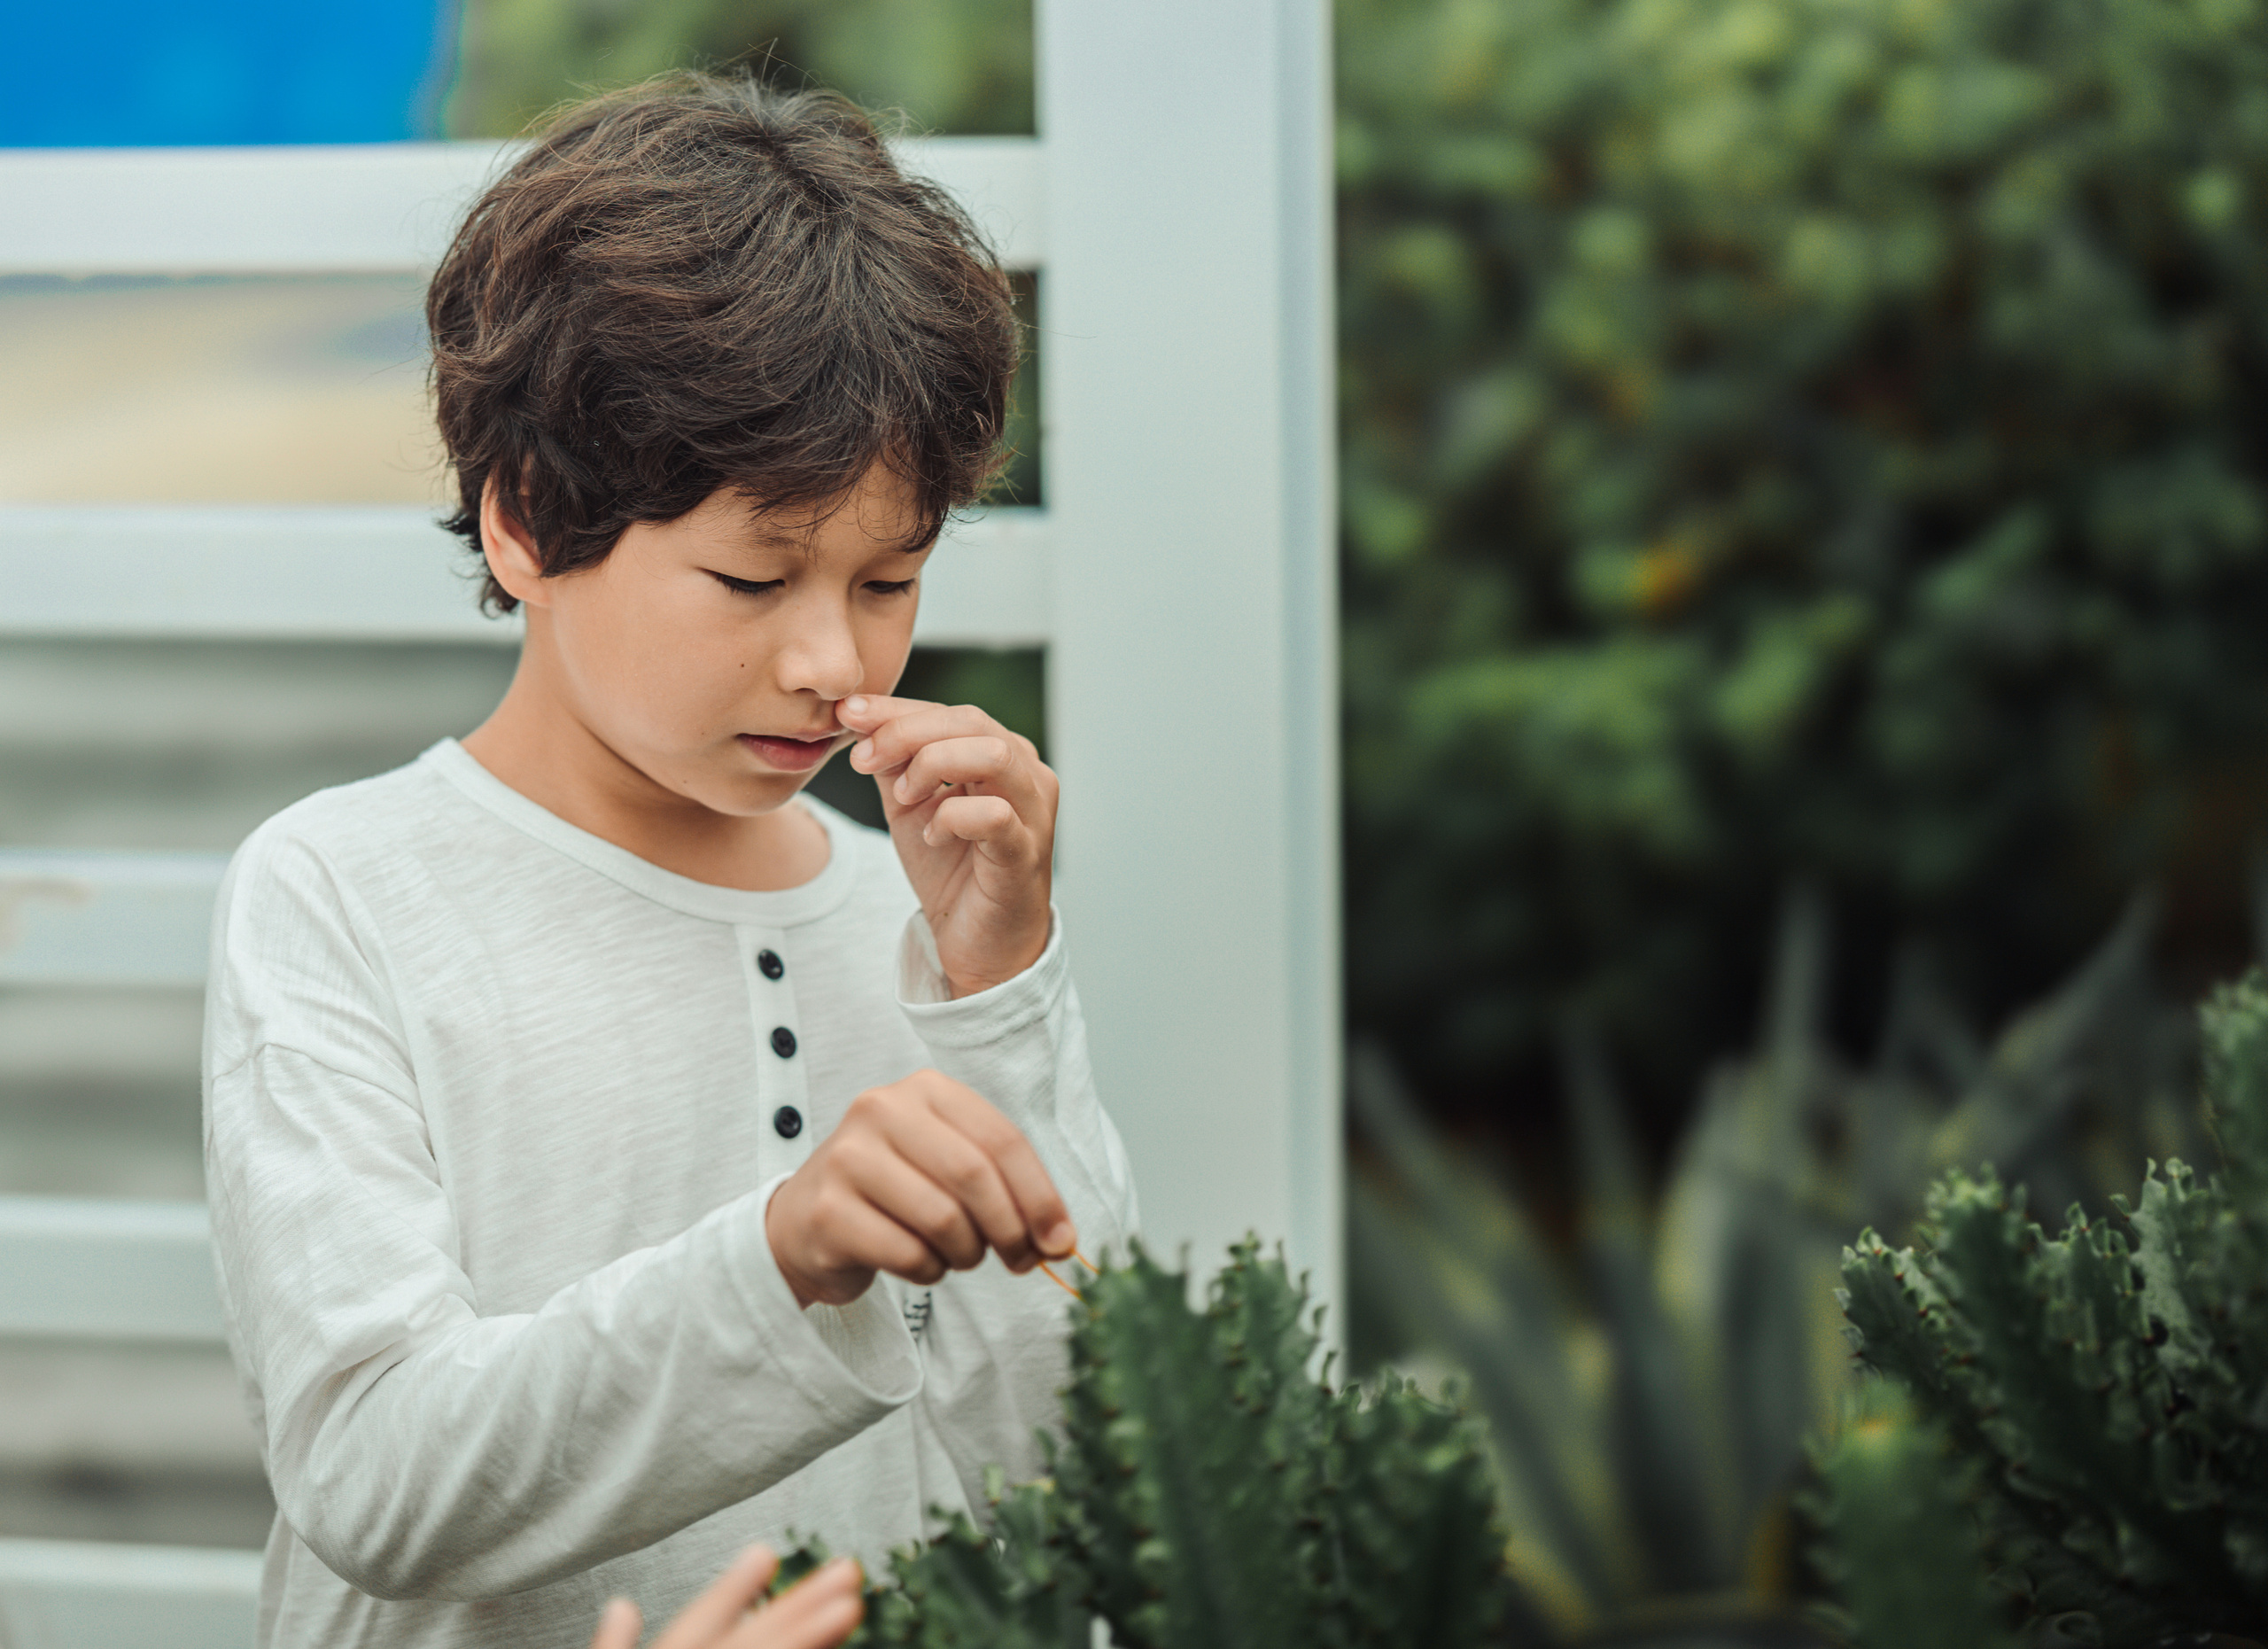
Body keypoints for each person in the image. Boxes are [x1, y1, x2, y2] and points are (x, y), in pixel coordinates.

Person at [201, 74, 1138, 1649]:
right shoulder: (344, 893)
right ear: (523, 522)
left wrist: (1001, 998)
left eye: (892, 578)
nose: (837, 664)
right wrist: (785, 1256)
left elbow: (1089, 1478)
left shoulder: (905, 921)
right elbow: (373, 1476)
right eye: (751, 575)